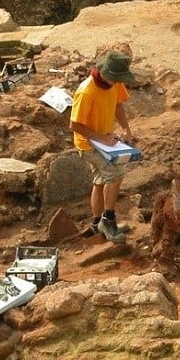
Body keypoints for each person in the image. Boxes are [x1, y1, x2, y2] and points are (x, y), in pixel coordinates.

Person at [69, 50, 135, 243]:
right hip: (88, 144)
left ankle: (97, 223)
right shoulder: (86, 91)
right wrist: (100, 138)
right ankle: (108, 219)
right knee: (116, 174)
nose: (117, 82)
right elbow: (74, 125)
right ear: (105, 73)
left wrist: (126, 128)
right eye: (116, 79)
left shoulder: (114, 82)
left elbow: (117, 104)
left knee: (99, 181)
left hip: (104, 141)